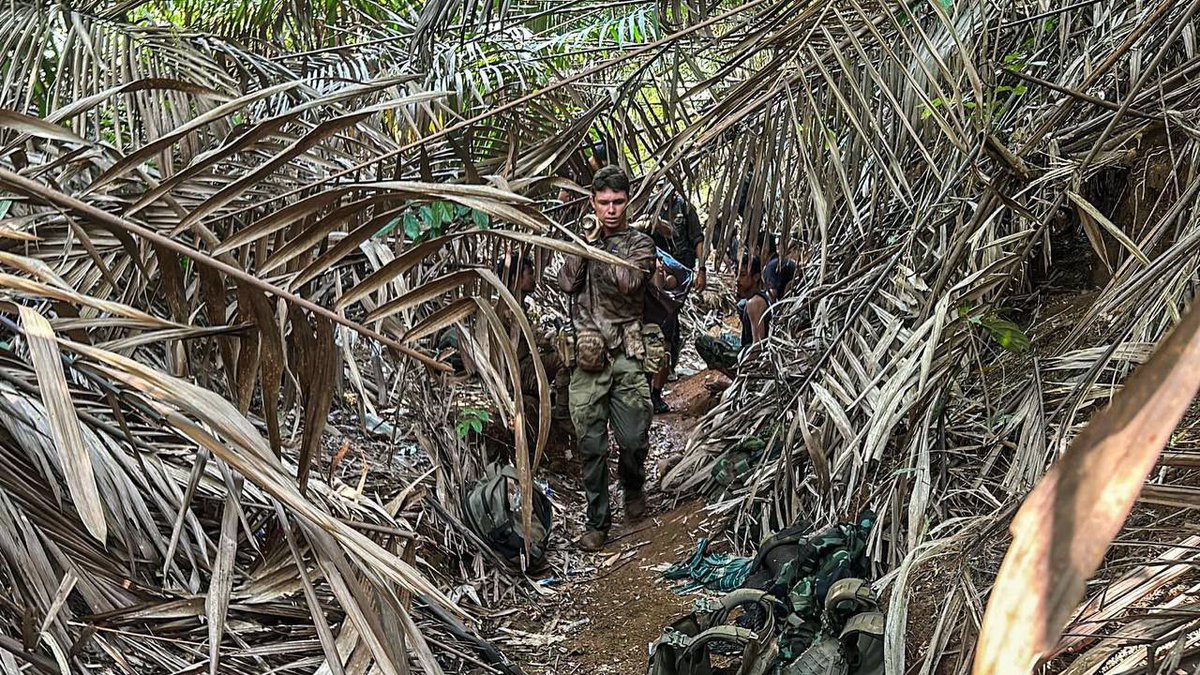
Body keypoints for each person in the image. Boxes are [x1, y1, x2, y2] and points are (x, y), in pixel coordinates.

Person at [558, 165, 657, 552]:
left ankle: (633, 487)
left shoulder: (639, 244)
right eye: (604, 203)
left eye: (618, 202)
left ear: (627, 202)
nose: (611, 210)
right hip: (587, 357)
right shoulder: (578, 241)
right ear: (592, 203)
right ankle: (597, 521)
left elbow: (630, 282)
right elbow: (567, 282)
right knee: (591, 445)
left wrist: (601, 246)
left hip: (627, 354)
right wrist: (583, 246)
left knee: (633, 437)